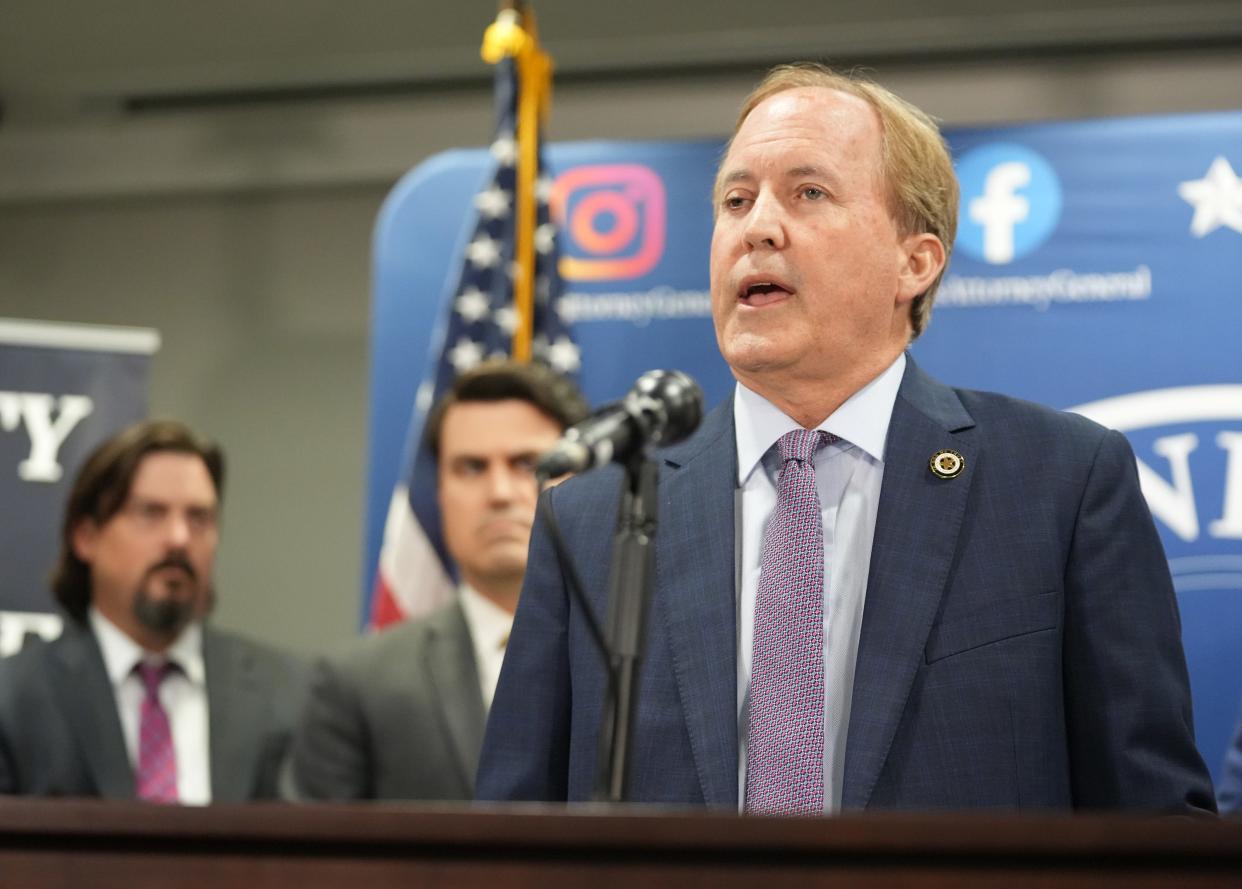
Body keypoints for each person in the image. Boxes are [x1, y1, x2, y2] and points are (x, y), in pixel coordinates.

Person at [476, 63, 1215, 813]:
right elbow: (508, 829)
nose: (757, 226)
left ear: (914, 262)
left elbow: (1154, 821)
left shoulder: (1061, 486)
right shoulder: (598, 517)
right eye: (736, 200)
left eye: (809, 193)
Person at [289, 360, 588, 801]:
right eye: (471, 467)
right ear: (440, 495)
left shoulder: (638, 664)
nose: (501, 492)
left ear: (581, 477)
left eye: (528, 463)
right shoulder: (356, 685)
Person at [0, 420, 306, 802]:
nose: (179, 538)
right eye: (151, 513)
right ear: (86, 537)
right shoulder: (13, 699)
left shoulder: (290, 696)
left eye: (199, 518)